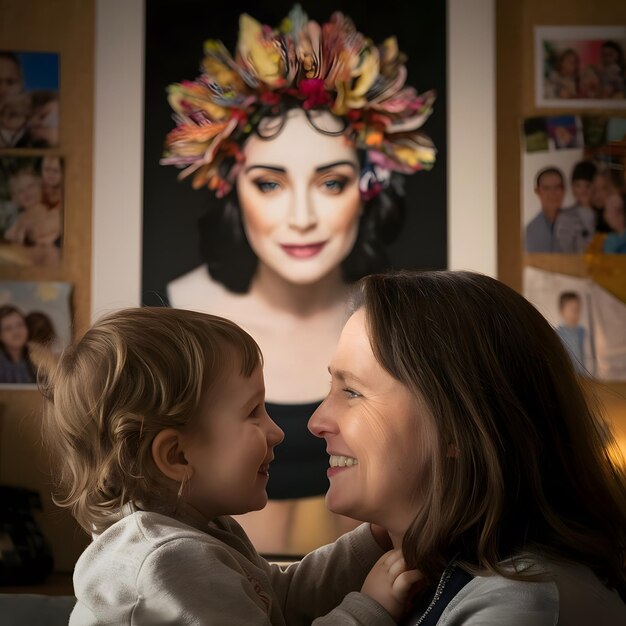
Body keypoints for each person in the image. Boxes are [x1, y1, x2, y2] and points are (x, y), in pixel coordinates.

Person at [161, 6, 436, 553]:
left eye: (331, 183)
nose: (303, 216)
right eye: (270, 184)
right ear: (232, 189)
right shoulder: (175, 313)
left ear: (367, 188)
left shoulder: (405, 322)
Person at [42, 307, 419, 625]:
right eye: (253, 412)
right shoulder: (167, 563)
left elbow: (280, 600)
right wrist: (367, 611)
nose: (276, 432)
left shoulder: (200, 528)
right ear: (177, 456)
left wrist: (368, 542)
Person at [309, 270, 626, 624]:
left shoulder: (520, 604)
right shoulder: (411, 582)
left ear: (454, 428)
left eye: (351, 391)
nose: (317, 422)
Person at [4, 166, 62, 265]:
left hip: (47, 247)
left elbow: (47, 228)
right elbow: (9, 235)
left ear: (41, 186)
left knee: (51, 253)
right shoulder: (21, 217)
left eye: (30, 186)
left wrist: (28, 230)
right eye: (20, 191)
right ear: (15, 199)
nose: (27, 193)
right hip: (28, 253)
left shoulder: (45, 210)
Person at [556, 161, 596, 253]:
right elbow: (564, 250)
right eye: (578, 185)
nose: (583, 191)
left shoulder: (605, 214)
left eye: (587, 185)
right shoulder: (565, 216)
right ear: (572, 187)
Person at [525, 167, 566, 252]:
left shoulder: (577, 222)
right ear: (537, 191)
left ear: (563, 190)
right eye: (546, 188)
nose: (552, 193)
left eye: (557, 187)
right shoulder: (531, 230)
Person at [0, 304, 36, 384]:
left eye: (20, 325)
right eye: (8, 328)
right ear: (0, 335)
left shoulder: (38, 359)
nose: (16, 332)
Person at [556, 291, 587, 374]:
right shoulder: (557, 334)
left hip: (582, 375)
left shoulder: (582, 332)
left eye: (577, 310)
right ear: (562, 310)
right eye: (571, 310)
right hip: (566, 374)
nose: (574, 314)